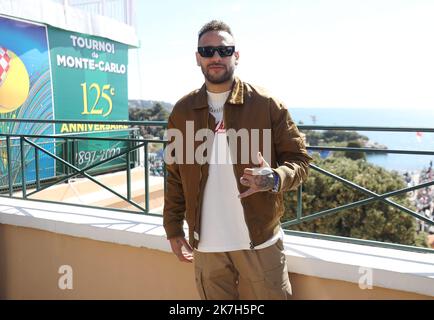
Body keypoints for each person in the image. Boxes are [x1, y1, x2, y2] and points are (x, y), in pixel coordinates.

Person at [163, 20, 312, 300]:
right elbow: (174, 175)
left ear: (236, 55)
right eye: (207, 51)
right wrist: (173, 228)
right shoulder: (182, 112)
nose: (216, 57)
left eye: (224, 50)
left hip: (260, 240)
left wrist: (275, 178)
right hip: (205, 246)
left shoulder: (266, 105)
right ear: (197, 58)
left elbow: (300, 161)